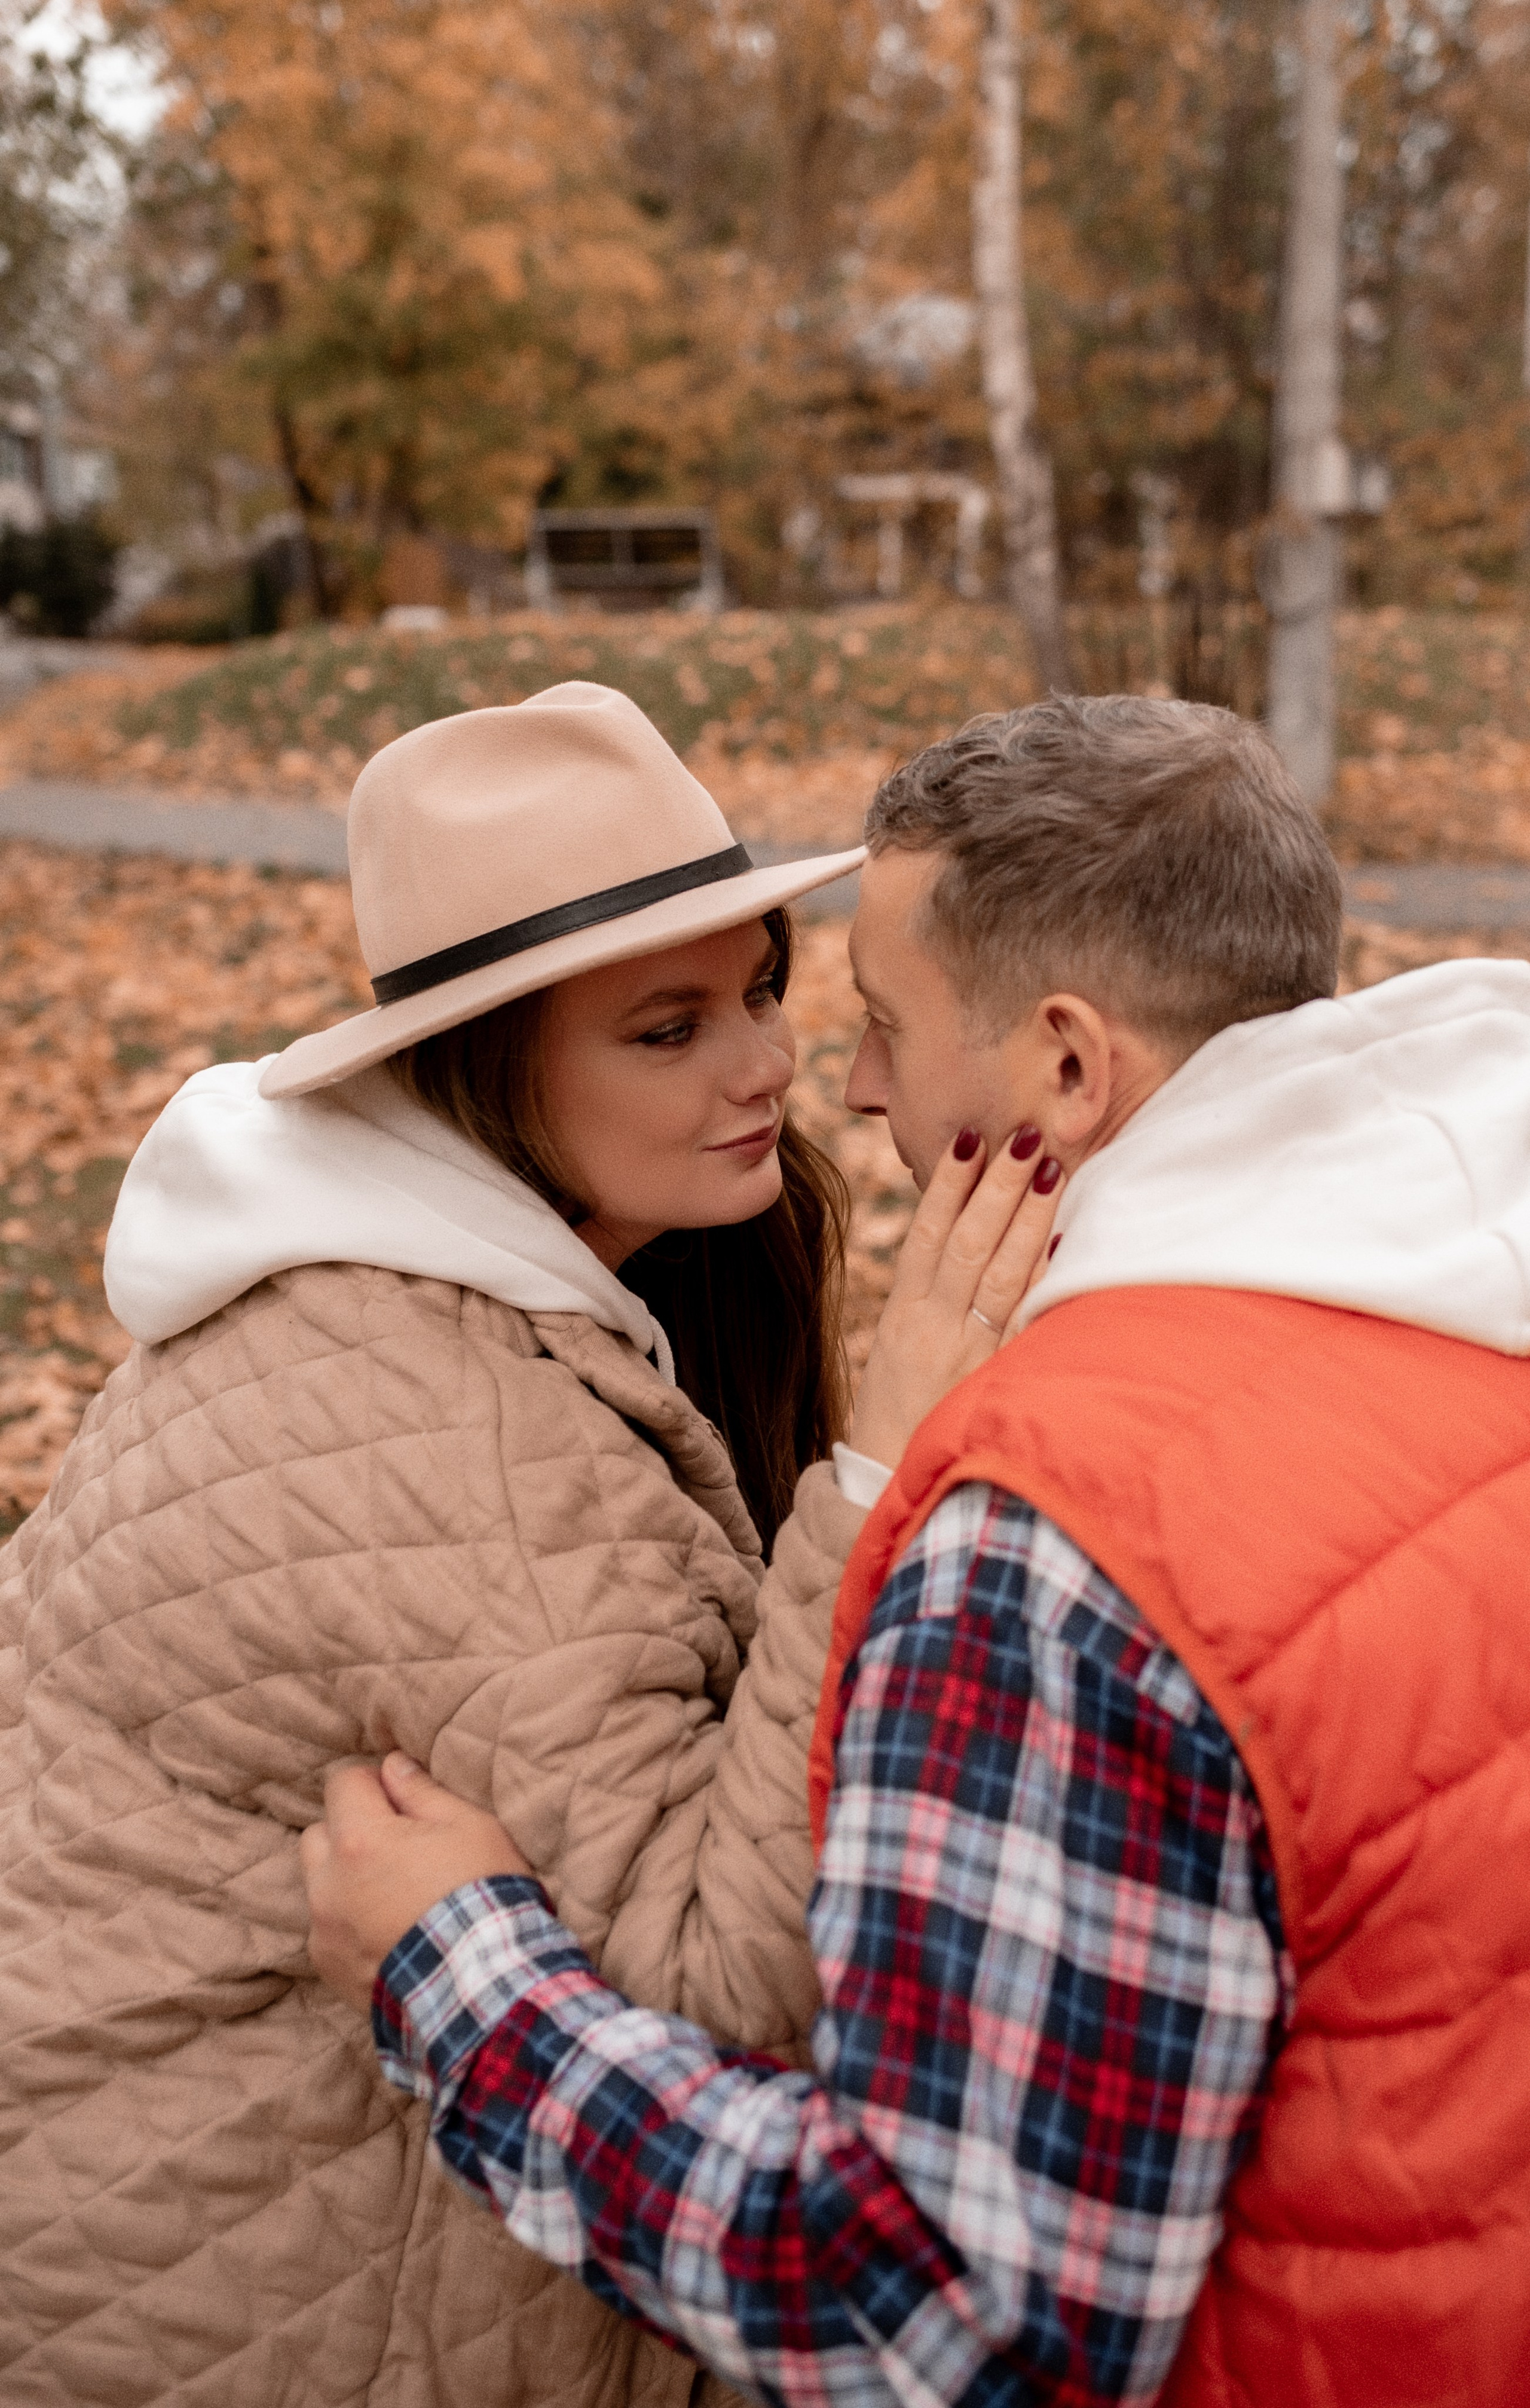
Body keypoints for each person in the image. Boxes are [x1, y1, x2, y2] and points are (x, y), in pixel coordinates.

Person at [305, 691, 1530, 2408]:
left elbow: (936, 2319)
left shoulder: (1061, 1545)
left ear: (1067, 1065)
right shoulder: (1470, 1292)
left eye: (880, 1019)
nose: (844, 1080)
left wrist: (464, 1983)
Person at [0, 682, 1062, 2407]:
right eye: (666, 1029)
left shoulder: (428, 1280)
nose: (767, 1061)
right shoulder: (453, 1425)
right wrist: (885, 1471)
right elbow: (713, 1981)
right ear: (485, 1068)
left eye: (760, 989)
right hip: (232, 2305)